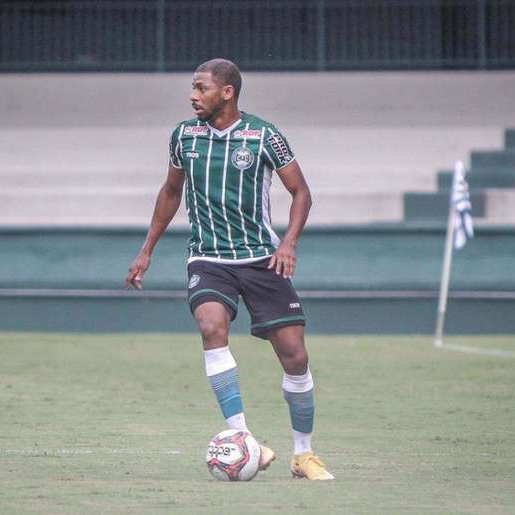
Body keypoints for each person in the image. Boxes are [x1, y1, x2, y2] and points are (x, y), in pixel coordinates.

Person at [126, 58, 333, 480]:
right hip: (208, 256)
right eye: (192, 87)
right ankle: (243, 439)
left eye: (200, 88)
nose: (192, 95)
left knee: (295, 356)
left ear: (227, 92)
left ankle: (303, 455)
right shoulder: (183, 136)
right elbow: (170, 191)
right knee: (211, 328)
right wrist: (147, 249)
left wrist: (288, 243)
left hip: (261, 256)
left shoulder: (264, 136)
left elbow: (301, 193)